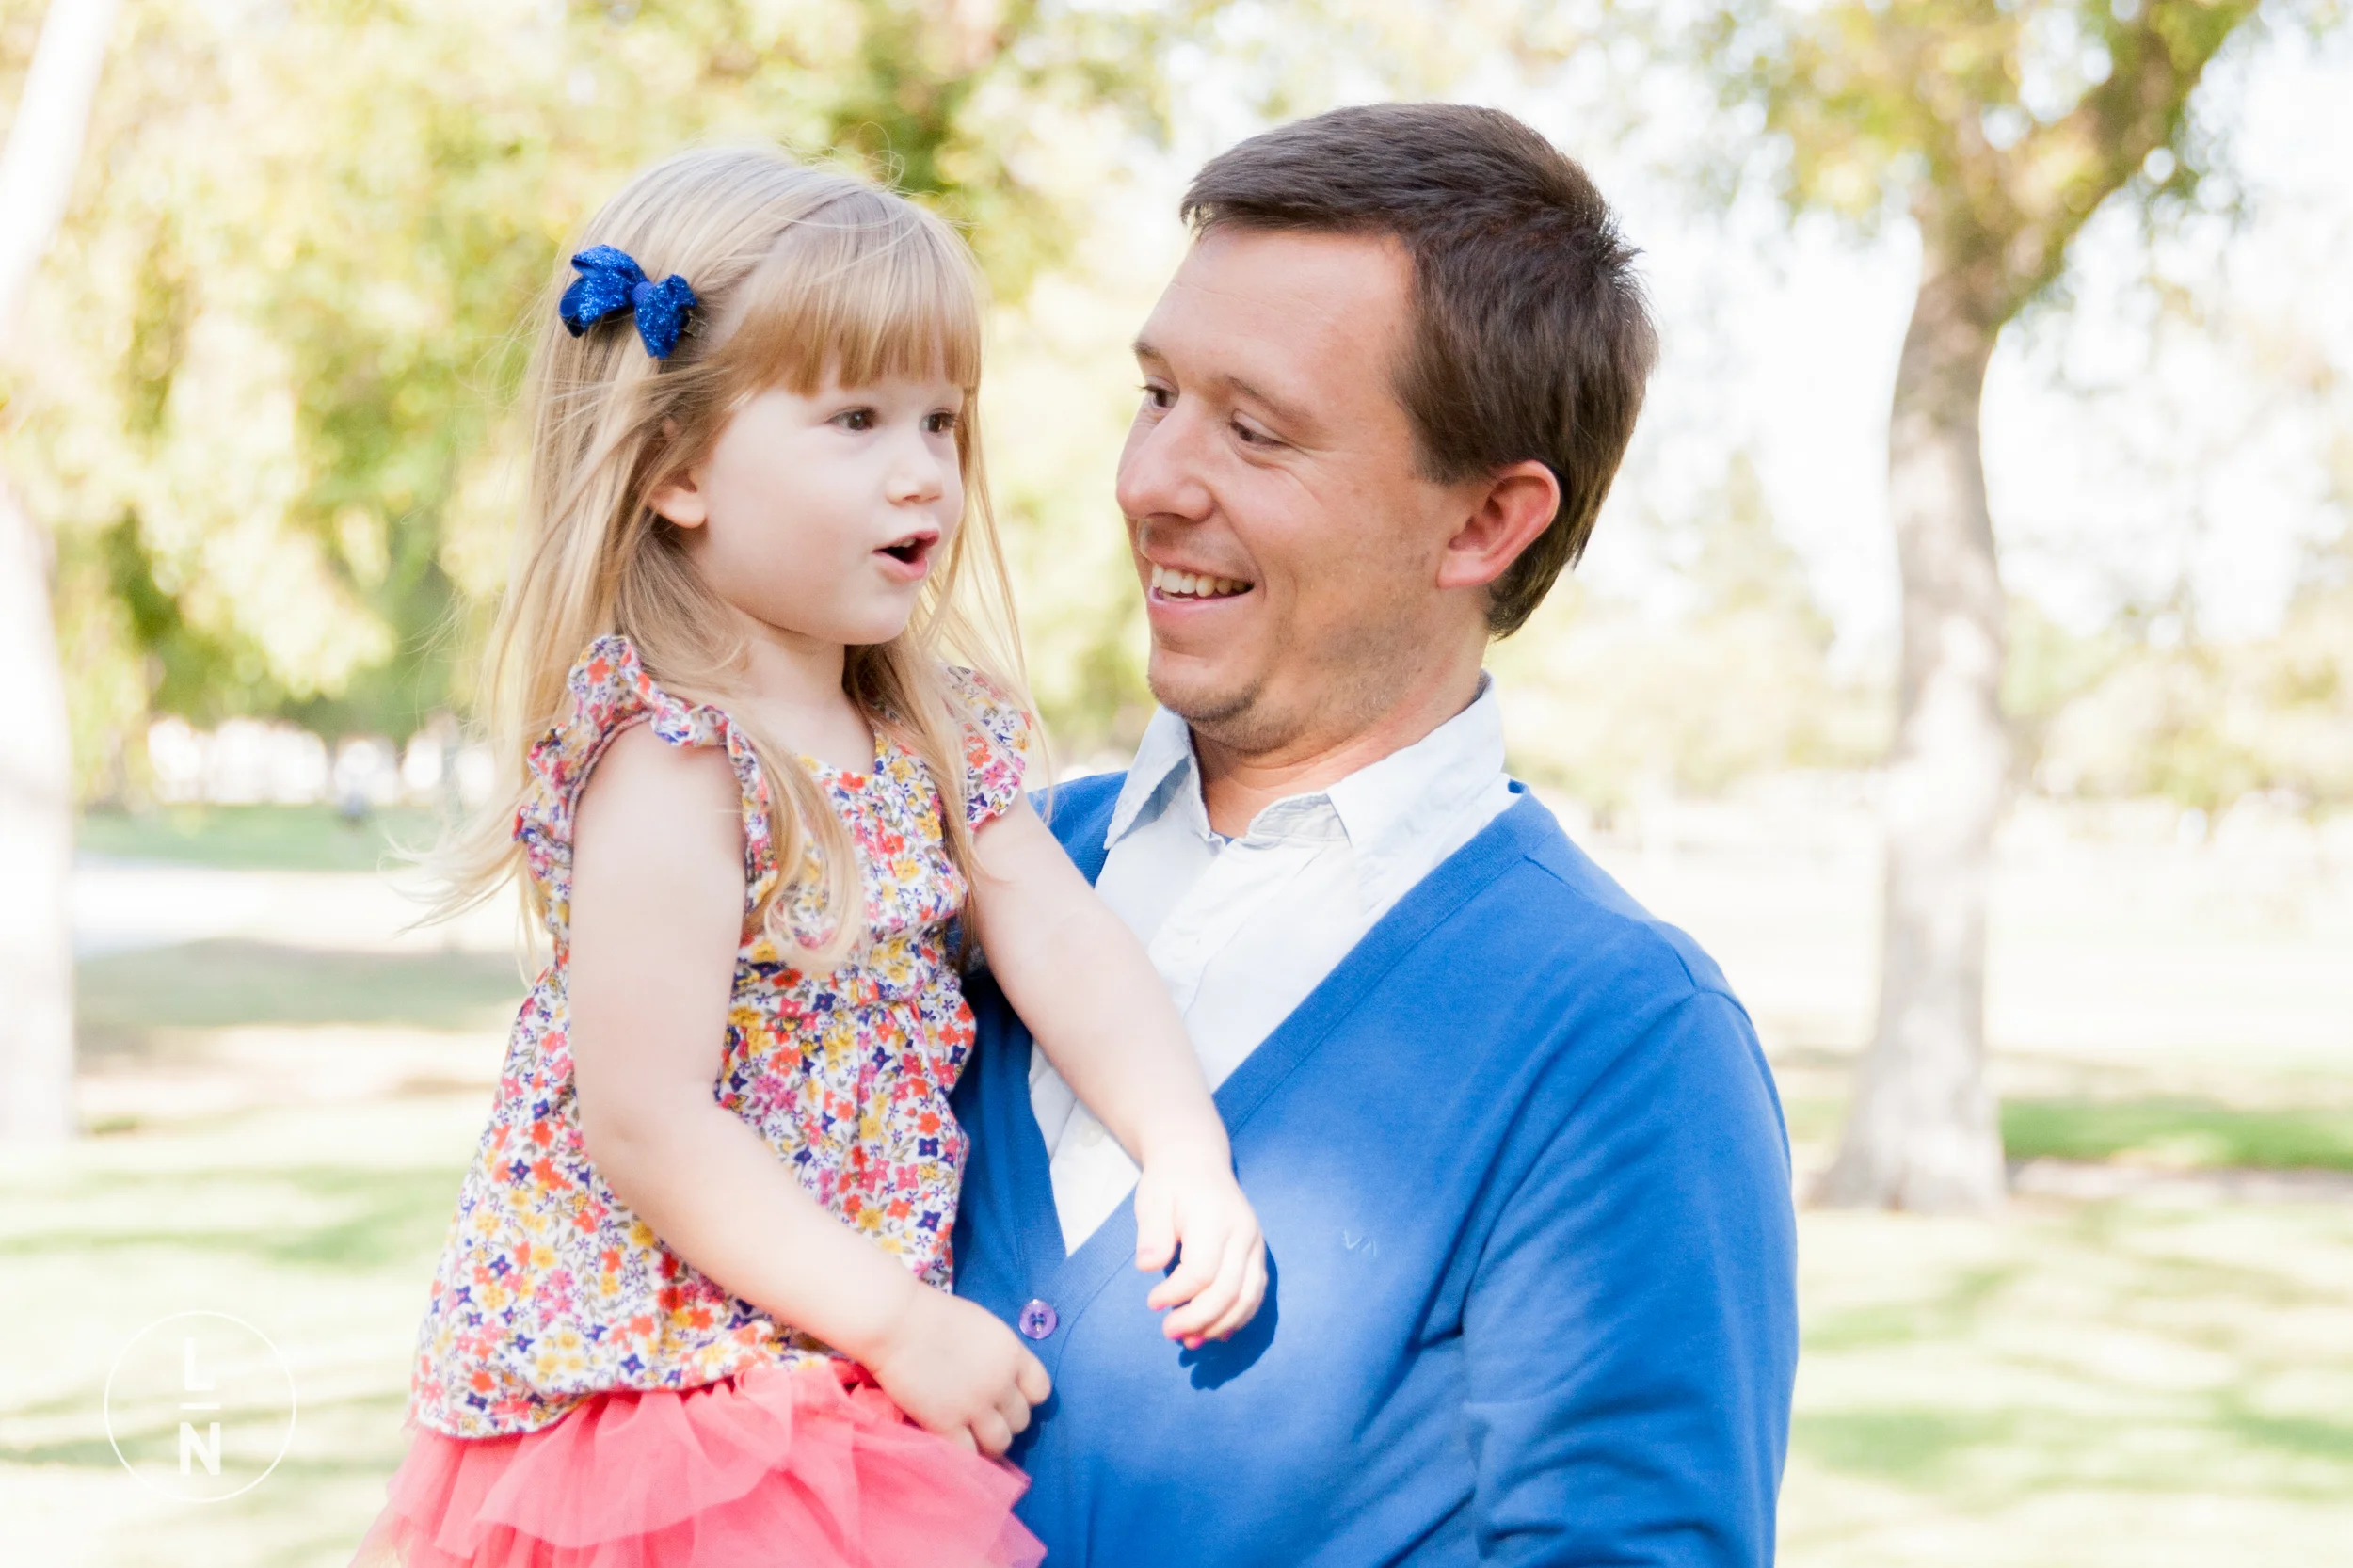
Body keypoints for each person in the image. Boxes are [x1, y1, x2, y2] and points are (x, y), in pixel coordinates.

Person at [354, 147, 1264, 1568]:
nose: (923, 473)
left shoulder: (928, 725)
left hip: (822, 1366)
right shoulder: (674, 756)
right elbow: (647, 1121)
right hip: (665, 1387)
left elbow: (1061, 938)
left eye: (941, 421)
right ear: (677, 470)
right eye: (855, 419)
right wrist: (897, 1323)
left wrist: (1183, 1142)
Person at [951, 104, 1801, 1565]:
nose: (1150, 481)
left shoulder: (1626, 1042)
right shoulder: (960, 878)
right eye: (1157, 394)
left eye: (1255, 429)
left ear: (1484, 523)